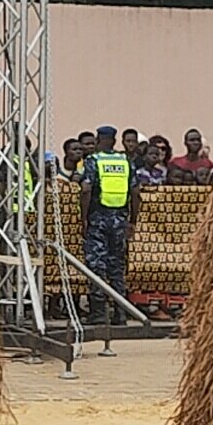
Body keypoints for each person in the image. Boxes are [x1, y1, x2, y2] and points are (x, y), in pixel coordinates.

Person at [80, 125, 137, 325]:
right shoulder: (126, 161)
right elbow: (135, 193)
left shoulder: (93, 161)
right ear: (114, 141)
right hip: (120, 220)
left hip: (98, 219)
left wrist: (83, 217)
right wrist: (133, 220)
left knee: (96, 265)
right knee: (117, 266)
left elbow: (86, 189)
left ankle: (97, 312)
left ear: (99, 140)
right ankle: (120, 313)